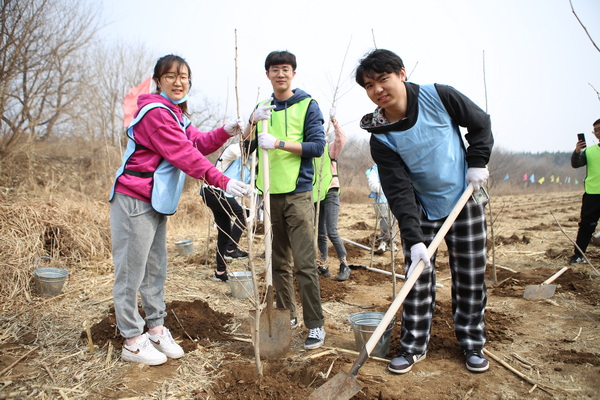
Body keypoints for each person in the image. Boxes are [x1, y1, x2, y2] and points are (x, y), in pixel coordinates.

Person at [355, 49, 494, 374]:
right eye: (369, 85)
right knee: (417, 278)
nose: (377, 89)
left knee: (471, 276)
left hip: (465, 198)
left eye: (383, 79)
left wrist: (477, 162)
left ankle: (473, 343)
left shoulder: (440, 96)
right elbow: (398, 190)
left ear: (402, 73)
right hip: (421, 207)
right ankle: (414, 346)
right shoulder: (381, 136)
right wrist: (414, 237)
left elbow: (480, 124)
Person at [109, 54, 252, 365]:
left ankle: (156, 329)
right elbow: (184, 155)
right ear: (158, 80)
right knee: (131, 272)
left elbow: (198, 143)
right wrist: (222, 181)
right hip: (134, 197)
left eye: (184, 76)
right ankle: (132, 340)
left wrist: (226, 130)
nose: (178, 81)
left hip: (155, 201)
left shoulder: (176, 114)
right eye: (170, 76)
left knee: (155, 268)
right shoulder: (155, 114)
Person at [244, 50, 326, 349]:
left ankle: (315, 324)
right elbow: (246, 147)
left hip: (298, 193)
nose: (280, 74)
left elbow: (317, 146)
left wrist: (278, 143)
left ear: (293, 73)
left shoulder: (308, 105)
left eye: (286, 69)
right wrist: (251, 123)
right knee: (277, 262)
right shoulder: (262, 107)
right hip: (269, 194)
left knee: (304, 263)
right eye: (275, 69)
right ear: (267, 74)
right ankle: (287, 313)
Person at [201, 142, 252, 282]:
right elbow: (235, 151)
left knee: (225, 231)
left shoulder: (248, 170)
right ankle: (231, 249)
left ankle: (220, 272)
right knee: (243, 215)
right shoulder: (233, 155)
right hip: (212, 191)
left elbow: (240, 191)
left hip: (222, 196)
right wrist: (249, 145)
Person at [313, 107, 350, 281]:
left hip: (331, 193)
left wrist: (334, 121)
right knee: (320, 233)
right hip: (315, 197)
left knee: (331, 231)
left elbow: (342, 139)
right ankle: (323, 265)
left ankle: (344, 264)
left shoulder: (330, 149)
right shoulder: (310, 154)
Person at [569, 118, 600, 265]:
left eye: (599, 129)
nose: (598, 133)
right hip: (592, 194)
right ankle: (578, 255)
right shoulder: (590, 151)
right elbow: (576, 164)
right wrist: (577, 151)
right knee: (586, 226)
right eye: (596, 130)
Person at [366, 164, 398, 253]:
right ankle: (384, 241)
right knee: (384, 220)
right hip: (382, 199)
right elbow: (372, 183)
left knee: (393, 221)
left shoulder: (395, 165)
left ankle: (392, 242)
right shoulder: (376, 168)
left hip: (394, 198)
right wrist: (383, 188)